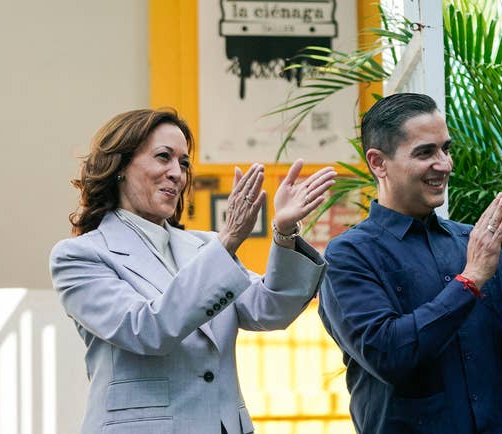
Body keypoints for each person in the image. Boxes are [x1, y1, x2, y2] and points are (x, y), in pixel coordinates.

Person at [49, 108, 336, 434]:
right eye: (163, 157)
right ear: (120, 166)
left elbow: (270, 310)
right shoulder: (79, 256)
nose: (178, 174)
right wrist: (228, 240)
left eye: (184, 163)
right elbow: (146, 330)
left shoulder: (205, 246)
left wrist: (284, 232)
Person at [318, 93, 502, 434]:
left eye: (446, 149)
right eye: (425, 152)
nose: (444, 164)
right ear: (378, 163)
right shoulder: (349, 256)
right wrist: (469, 280)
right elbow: (388, 356)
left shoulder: (475, 243)